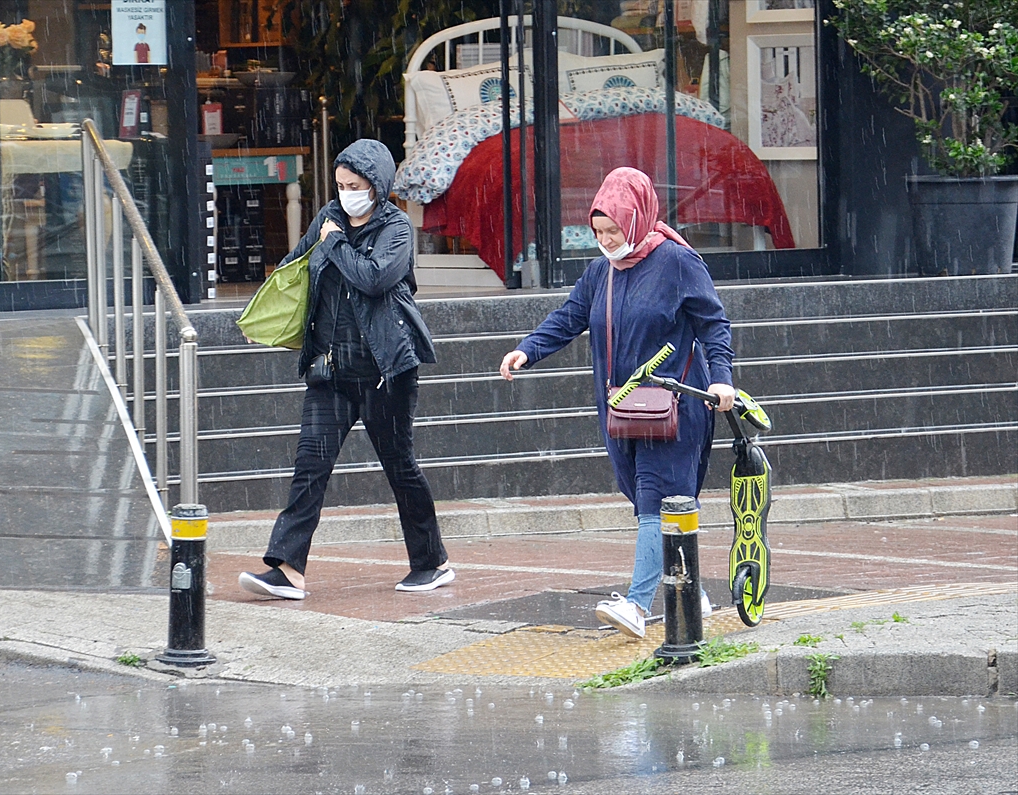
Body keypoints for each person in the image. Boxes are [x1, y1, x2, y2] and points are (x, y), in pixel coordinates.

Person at [499, 167, 735, 638]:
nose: (607, 241)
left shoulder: (678, 263)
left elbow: (714, 325)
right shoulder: (599, 273)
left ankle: (635, 604)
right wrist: (528, 349)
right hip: (621, 410)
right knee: (657, 502)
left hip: (674, 408)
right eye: (599, 232)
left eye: (614, 231)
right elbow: (570, 317)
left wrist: (723, 380)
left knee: (654, 501)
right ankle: (692, 594)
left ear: (639, 219)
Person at [239, 139, 454, 600]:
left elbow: (374, 278)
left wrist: (334, 242)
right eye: (339, 185)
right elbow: (294, 265)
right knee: (309, 467)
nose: (345, 193)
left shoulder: (396, 228)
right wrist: (268, 312)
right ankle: (287, 567)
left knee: (400, 467)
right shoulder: (327, 216)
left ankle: (432, 562)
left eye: (354, 185)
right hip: (330, 369)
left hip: (385, 369)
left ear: (376, 185)